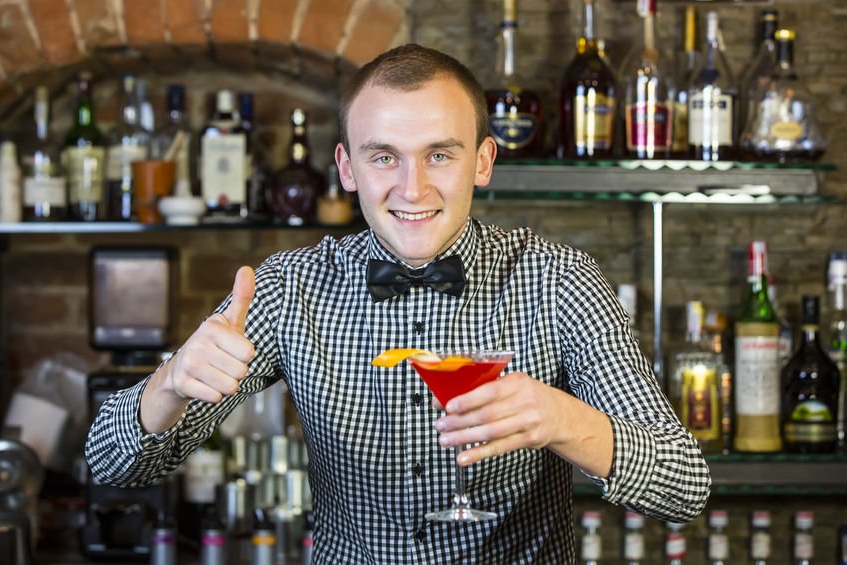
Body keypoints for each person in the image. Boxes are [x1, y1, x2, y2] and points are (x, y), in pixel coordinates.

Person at [86, 43, 710, 562]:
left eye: (440, 155)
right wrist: (171, 382)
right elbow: (111, 466)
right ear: (347, 168)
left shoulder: (558, 281)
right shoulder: (288, 289)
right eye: (384, 157)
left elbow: (685, 486)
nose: (413, 189)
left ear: (483, 162)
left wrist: (561, 419)